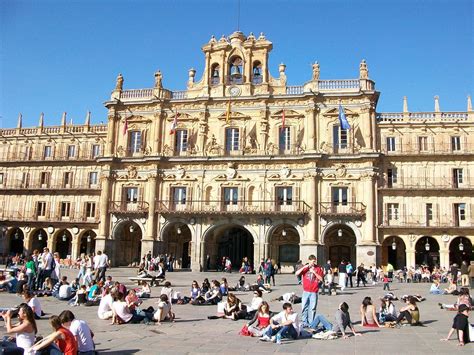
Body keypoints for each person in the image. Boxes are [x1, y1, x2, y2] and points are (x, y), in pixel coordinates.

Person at [294, 254, 324, 327]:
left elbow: (321, 279)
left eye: (314, 261)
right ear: (309, 260)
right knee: (304, 307)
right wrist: (305, 267)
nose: (313, 263)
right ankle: (304, 322)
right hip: (306, 291)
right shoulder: (305, 268)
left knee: (313, 308)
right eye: (312, 261)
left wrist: (314, 272)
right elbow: (296, 273)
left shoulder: (318, 268)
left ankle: (311, 323)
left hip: (314, 291)